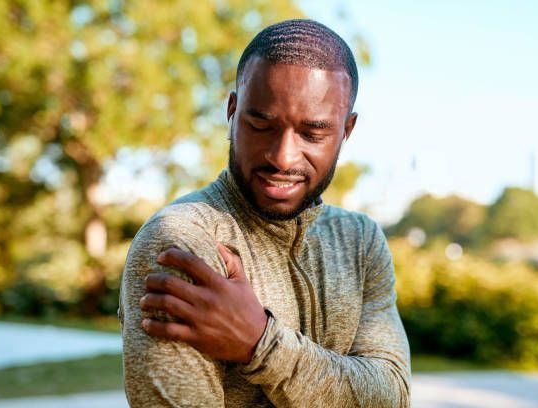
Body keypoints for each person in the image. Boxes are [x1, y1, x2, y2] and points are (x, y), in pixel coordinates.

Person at [119, 19, 410, 407]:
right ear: (232, 110)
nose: (282, 156)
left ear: (347, 130)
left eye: (313, 133)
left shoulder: (361, 241)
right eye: (261, 124)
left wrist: (261, 343)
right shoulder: (183, 241)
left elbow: (391, 396)